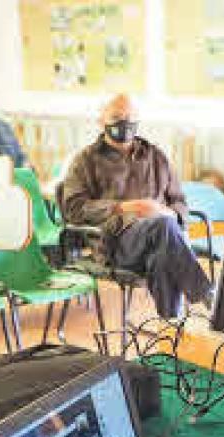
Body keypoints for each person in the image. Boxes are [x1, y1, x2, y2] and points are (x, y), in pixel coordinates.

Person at [56, 93, 210, 318]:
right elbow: (74, 209)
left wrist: (166, 212)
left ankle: (170, 328)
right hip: (115, 243)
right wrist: (125, 207)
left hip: (161, 239)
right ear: (101, 121)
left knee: (163, 251)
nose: (124, 123)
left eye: (130, 117)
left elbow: (179, 202)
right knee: (164, 228)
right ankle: (207, 295)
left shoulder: (156, 157)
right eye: (117, 116)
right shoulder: (85, 160)